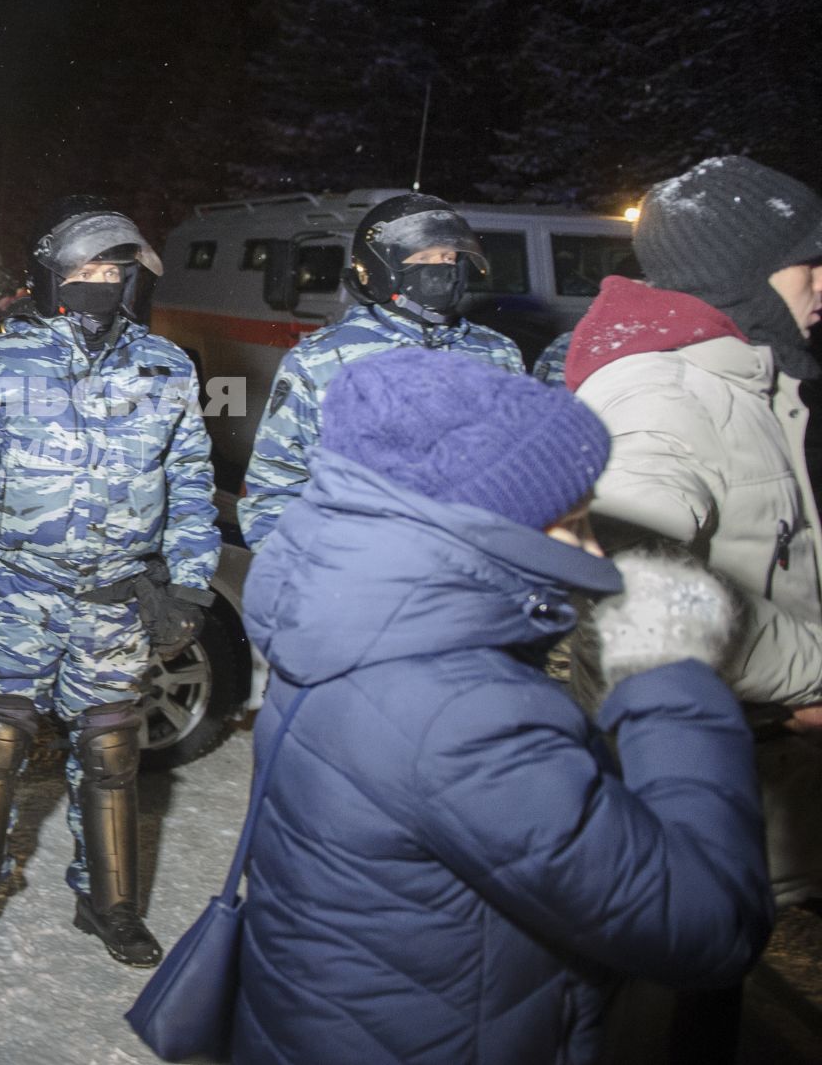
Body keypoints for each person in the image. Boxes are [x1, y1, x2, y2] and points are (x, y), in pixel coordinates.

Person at [227, 347, 773, 1065]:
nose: (593, 552)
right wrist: (669, 675)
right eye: (575, 523)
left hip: (333, 1016)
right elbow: (710, 925)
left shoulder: (341, 608)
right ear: (491, 530)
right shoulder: (466, 715)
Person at [563, 157, 822, 1062]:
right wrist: (813, 670)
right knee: (659, 1018)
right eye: (806, 263)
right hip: (680, 792)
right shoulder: (661, 397)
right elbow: (642, 597)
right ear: (740, 273)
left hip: (737, 779)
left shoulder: (744, 378)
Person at [0, 196, 219, 967]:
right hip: (19, 589)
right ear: (51, 277)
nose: (100, 283)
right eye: (84, 269)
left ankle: (109, 901)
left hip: (115, 599)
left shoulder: (166, 367)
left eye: (114, 270)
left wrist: (189, 585)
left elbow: (190, 481)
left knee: (112, 749)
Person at [238, 193, 523, 549]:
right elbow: (276, 484)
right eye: (426, 257)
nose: (443, 267)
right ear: (382, 267)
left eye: (450, 257)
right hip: (360, 569)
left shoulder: (497, 352)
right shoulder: (323, 358)